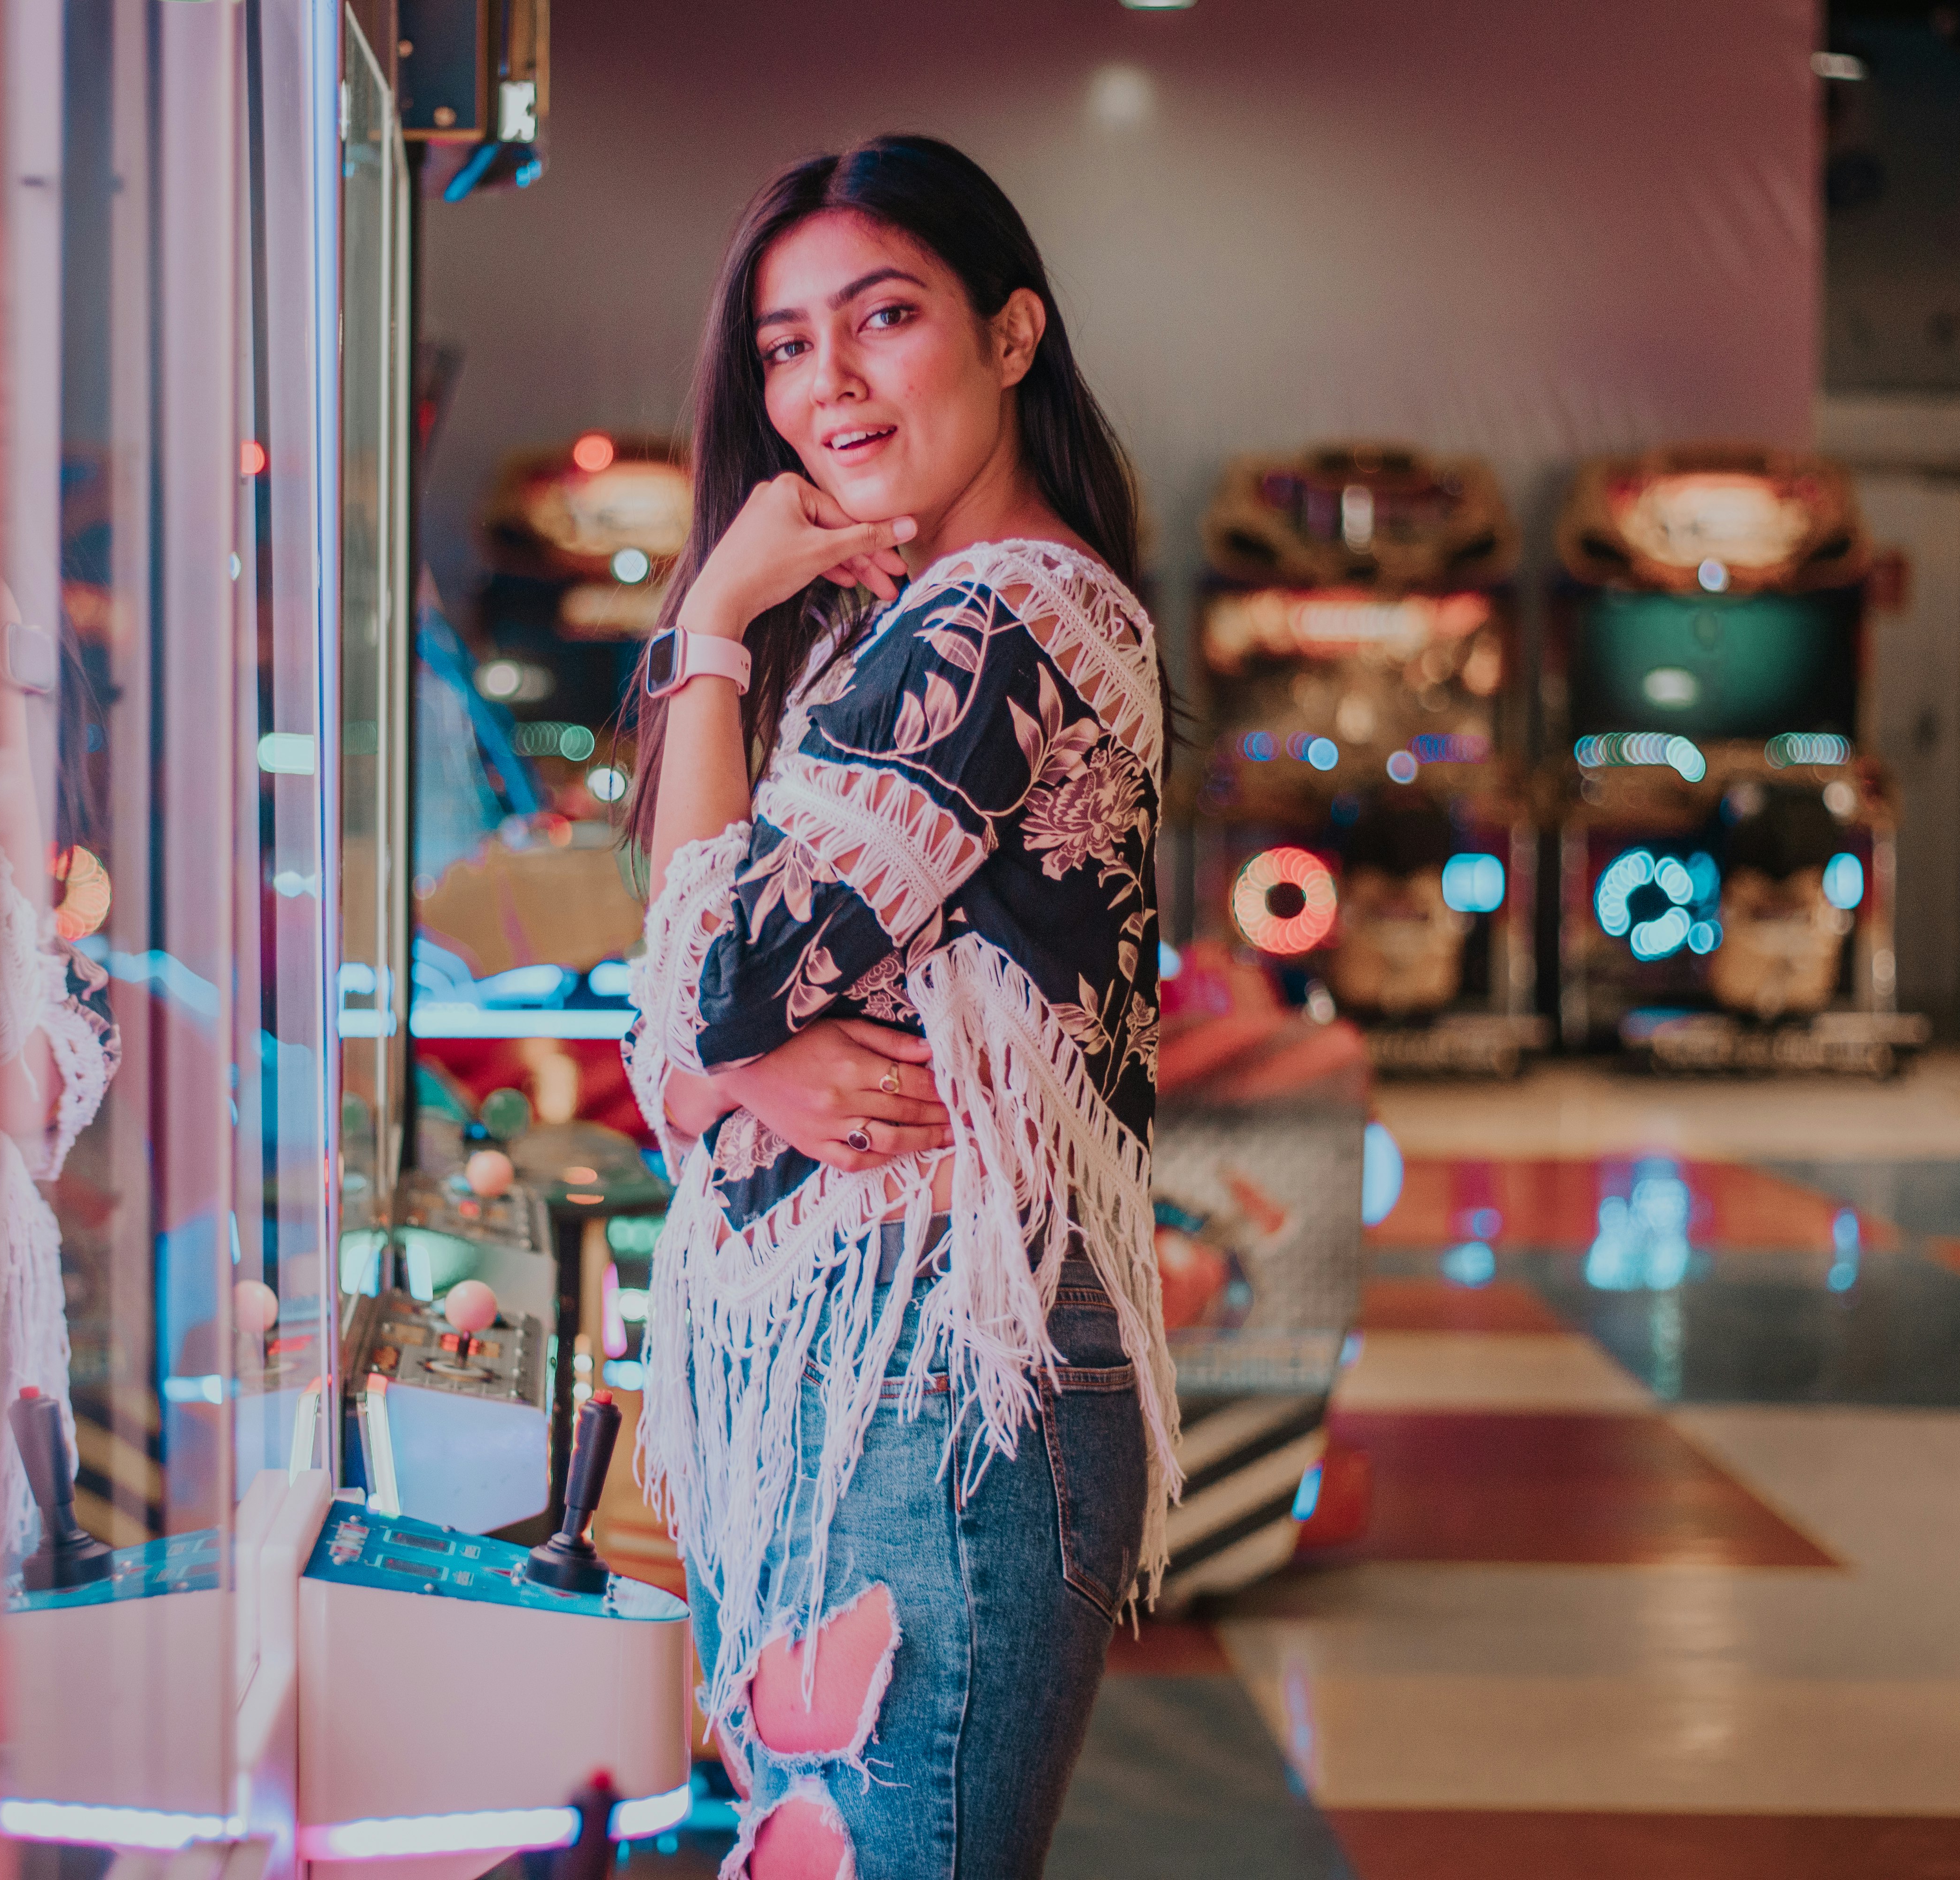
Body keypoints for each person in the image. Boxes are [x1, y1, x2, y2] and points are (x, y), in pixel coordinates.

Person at [619, 134, 1179, 1879]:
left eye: (883, 317)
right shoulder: (908, 629)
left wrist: (715, 616)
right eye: (786, 344)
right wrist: (736, 1069)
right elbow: (687, 1045)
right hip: (846, 1382)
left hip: (933, 1393)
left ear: (1013, 333)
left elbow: (700, 985)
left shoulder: (1008, 615)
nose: (829, 381)